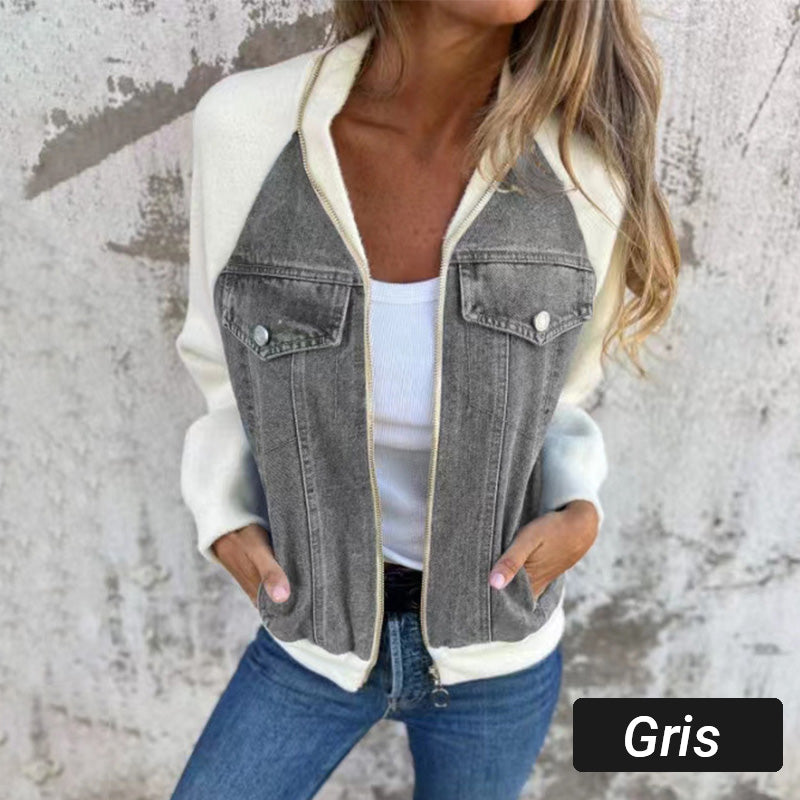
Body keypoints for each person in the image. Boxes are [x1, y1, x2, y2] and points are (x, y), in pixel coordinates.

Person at [170, 1, 679, 798]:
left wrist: (578, 510)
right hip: (314, 632)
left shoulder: (584, 172)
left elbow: (563, 401)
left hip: (496, 646)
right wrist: (223, 514)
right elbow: (221, 364)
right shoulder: (248, 128)